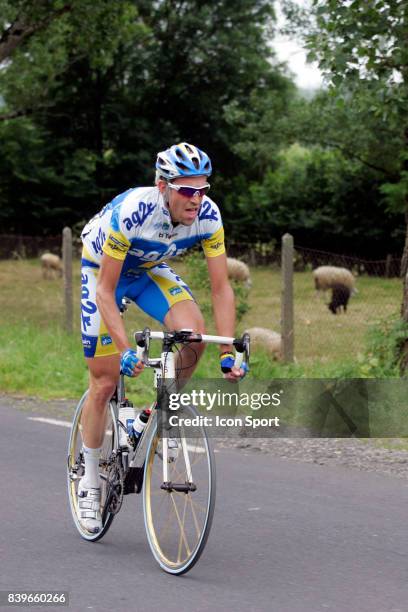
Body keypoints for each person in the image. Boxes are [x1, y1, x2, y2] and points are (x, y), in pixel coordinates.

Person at [78, 142, 247, 533]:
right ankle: (89, 481)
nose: (196, 198)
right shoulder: (134, 212)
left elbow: (222, 289)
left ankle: (154, 414)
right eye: (187, 189)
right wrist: (124, 351)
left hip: (149, 270)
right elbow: (105, 291)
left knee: (194, 336)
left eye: (202, 188)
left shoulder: (208, 215)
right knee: (104, 380)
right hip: (101, 273)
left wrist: (227, 350)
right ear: (163, 187)